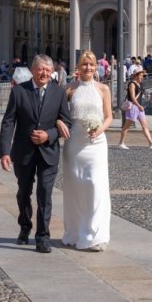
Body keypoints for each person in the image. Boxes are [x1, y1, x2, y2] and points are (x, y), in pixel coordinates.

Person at [0, 54, 71, 253]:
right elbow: (8, 122)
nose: (44, 73)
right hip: (23, 152)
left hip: (49, 152)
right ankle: (25, 225)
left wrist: (49, 134)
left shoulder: (59, 93)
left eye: (48, 70)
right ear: (32, 70)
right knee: (24, 193)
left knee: (45, 194)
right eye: (41, 69)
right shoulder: (19, 91)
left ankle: (43, 236)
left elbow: (67, 122)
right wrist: (5, 152)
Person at [58, 50, 112, 251]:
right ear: (78, 67)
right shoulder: (69, 89)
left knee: (95, 186)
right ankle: (75, 231)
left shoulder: (103, 89)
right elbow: (59, 113)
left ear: (96, 66)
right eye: (84, 64)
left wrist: (100, 130)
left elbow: (108, 116)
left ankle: (95, 235)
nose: (88, 67)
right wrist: (58, 123)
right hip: (75, 143)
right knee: (75, 189)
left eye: (91, 64)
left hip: (96, 144)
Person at [117, 67, 152, 149]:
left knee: (144, 125)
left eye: (142, 75)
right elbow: (133, 97)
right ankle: (121, 143)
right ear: (135, 76)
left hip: (139, 108)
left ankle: (151, 143)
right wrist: (139, 106)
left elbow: (140, 93)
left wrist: (147, 96)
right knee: (126, 126)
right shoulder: (132, 84)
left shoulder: (139, 84)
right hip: (133, 107)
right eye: (140, 75)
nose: (142, 77)